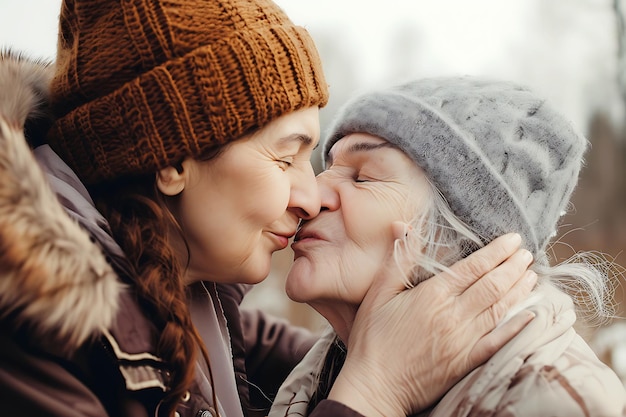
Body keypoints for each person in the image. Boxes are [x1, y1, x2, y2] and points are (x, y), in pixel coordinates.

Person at [0, 2, 536, 416]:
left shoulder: (191, 304)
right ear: (172, 163)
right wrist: (374, 389)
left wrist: (403, 330)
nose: (311, 196)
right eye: (286, 158)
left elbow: (283, 350)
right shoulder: (26, 336)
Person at [269, 76, 626, 417]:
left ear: (462, 234)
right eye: (327, 168)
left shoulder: (551, 401)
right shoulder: (317, 379)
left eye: (362, 177)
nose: (312, 196)